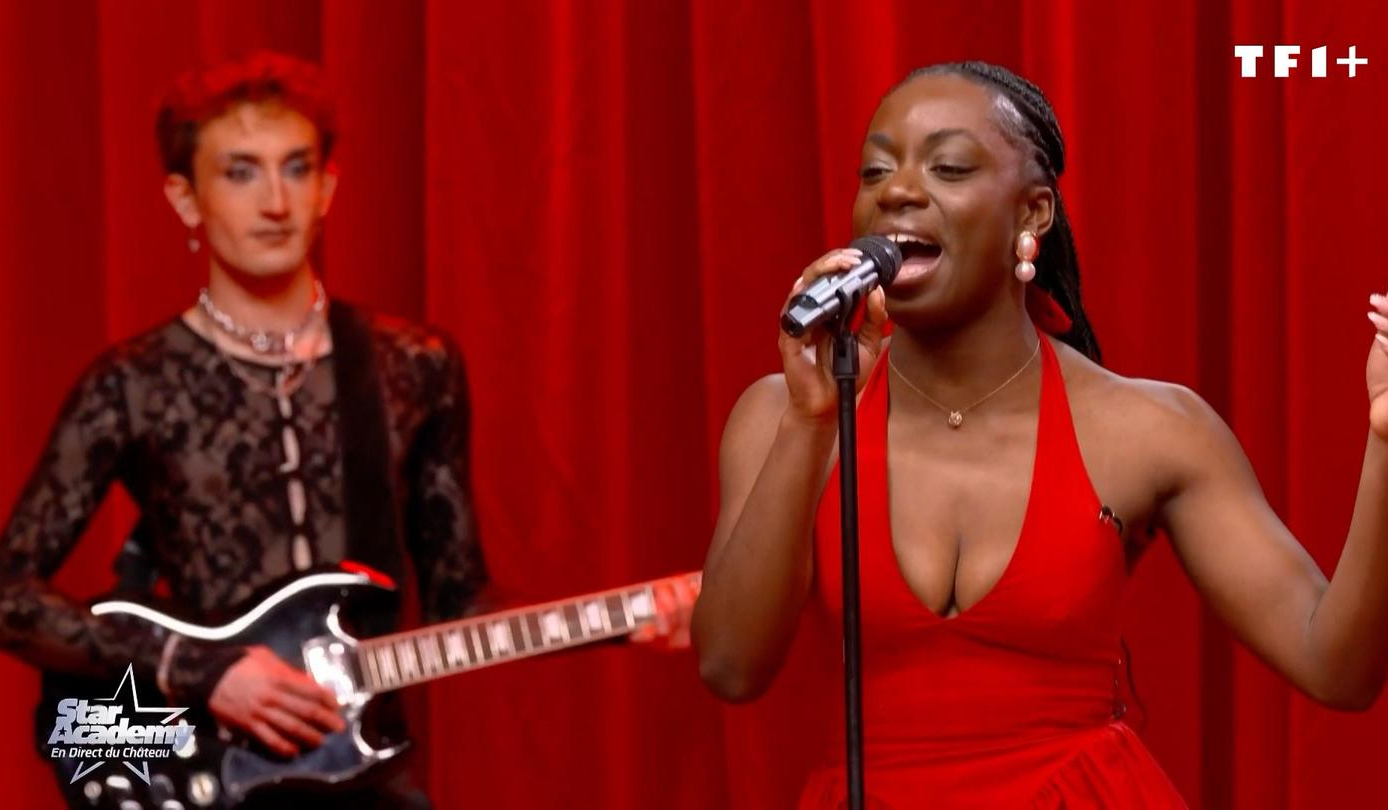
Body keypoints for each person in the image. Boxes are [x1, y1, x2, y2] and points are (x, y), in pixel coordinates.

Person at [0, 52, 689, 809]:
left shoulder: (411, 364)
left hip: (363, 773)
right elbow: (8, 594)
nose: (275, 201)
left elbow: (459, 603)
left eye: (296, 168)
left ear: (327, 188)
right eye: (240, 172)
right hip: (199, 770)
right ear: (185, 198)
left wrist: (622, 621)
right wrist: (202, 669)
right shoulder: (130, 382)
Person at [692, 61, 1388, 808]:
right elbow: (731, 665)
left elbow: (1335, 665)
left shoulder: (1148, 427)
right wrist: (810, 421)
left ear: (1033, 213)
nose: (896, 191)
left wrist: (1385, 441)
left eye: (948, 167)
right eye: (875, 171)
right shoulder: (785, 415)